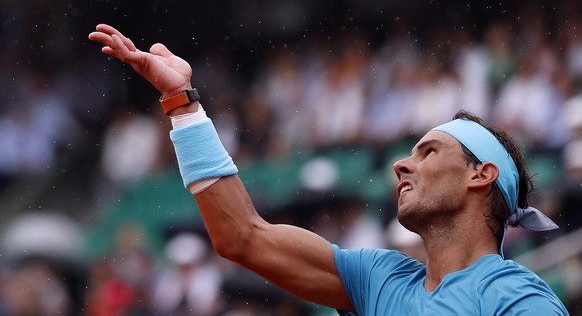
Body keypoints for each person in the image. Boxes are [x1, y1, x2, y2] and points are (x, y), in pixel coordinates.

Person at [88, 24, 569, 315]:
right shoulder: (378, 279)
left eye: (429, 152)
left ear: (480, 176)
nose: (402, 163)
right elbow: (242, 237)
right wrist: (182, 105)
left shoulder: (517, 297)